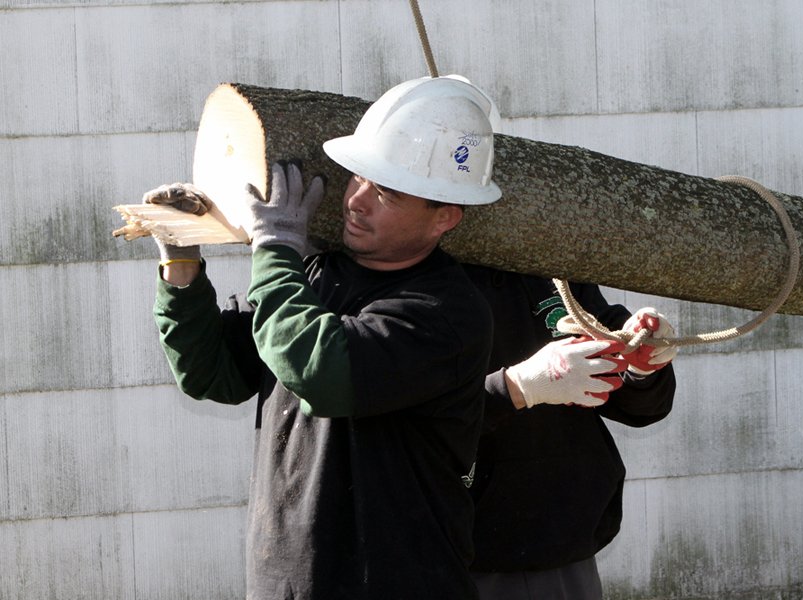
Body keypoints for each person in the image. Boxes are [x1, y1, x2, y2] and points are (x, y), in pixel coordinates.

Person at [146, 76, 502, 599]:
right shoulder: (314, 274)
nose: (356, 200)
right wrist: (181, 265)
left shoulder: (447, 312)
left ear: (444, 216)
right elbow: (214, 376)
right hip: (285, 578)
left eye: (387, 192)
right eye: (357, 178)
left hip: (396, 582)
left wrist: (274, 248)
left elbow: (323, 372)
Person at [461, 265, 677, 599]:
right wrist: (515, 388)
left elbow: (638, 406)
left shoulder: (553, 267)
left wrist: (642, 367)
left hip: (565, 541)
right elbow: (408, 421)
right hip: (458, 549)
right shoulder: (420, 273)